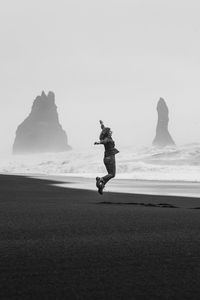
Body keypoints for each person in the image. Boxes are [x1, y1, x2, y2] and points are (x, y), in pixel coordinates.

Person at [94, 120, 119, 194]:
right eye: (110, 131)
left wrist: (102, 124)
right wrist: (98, 142)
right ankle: (100, 179)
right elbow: (104, 141)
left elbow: (103, 129)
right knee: (112, 174)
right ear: (108, 133)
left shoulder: (107, 136)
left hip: (106, 158)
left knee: (109, 174)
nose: (111, 131)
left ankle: (101, 186)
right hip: (110, 158)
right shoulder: (108, 138)